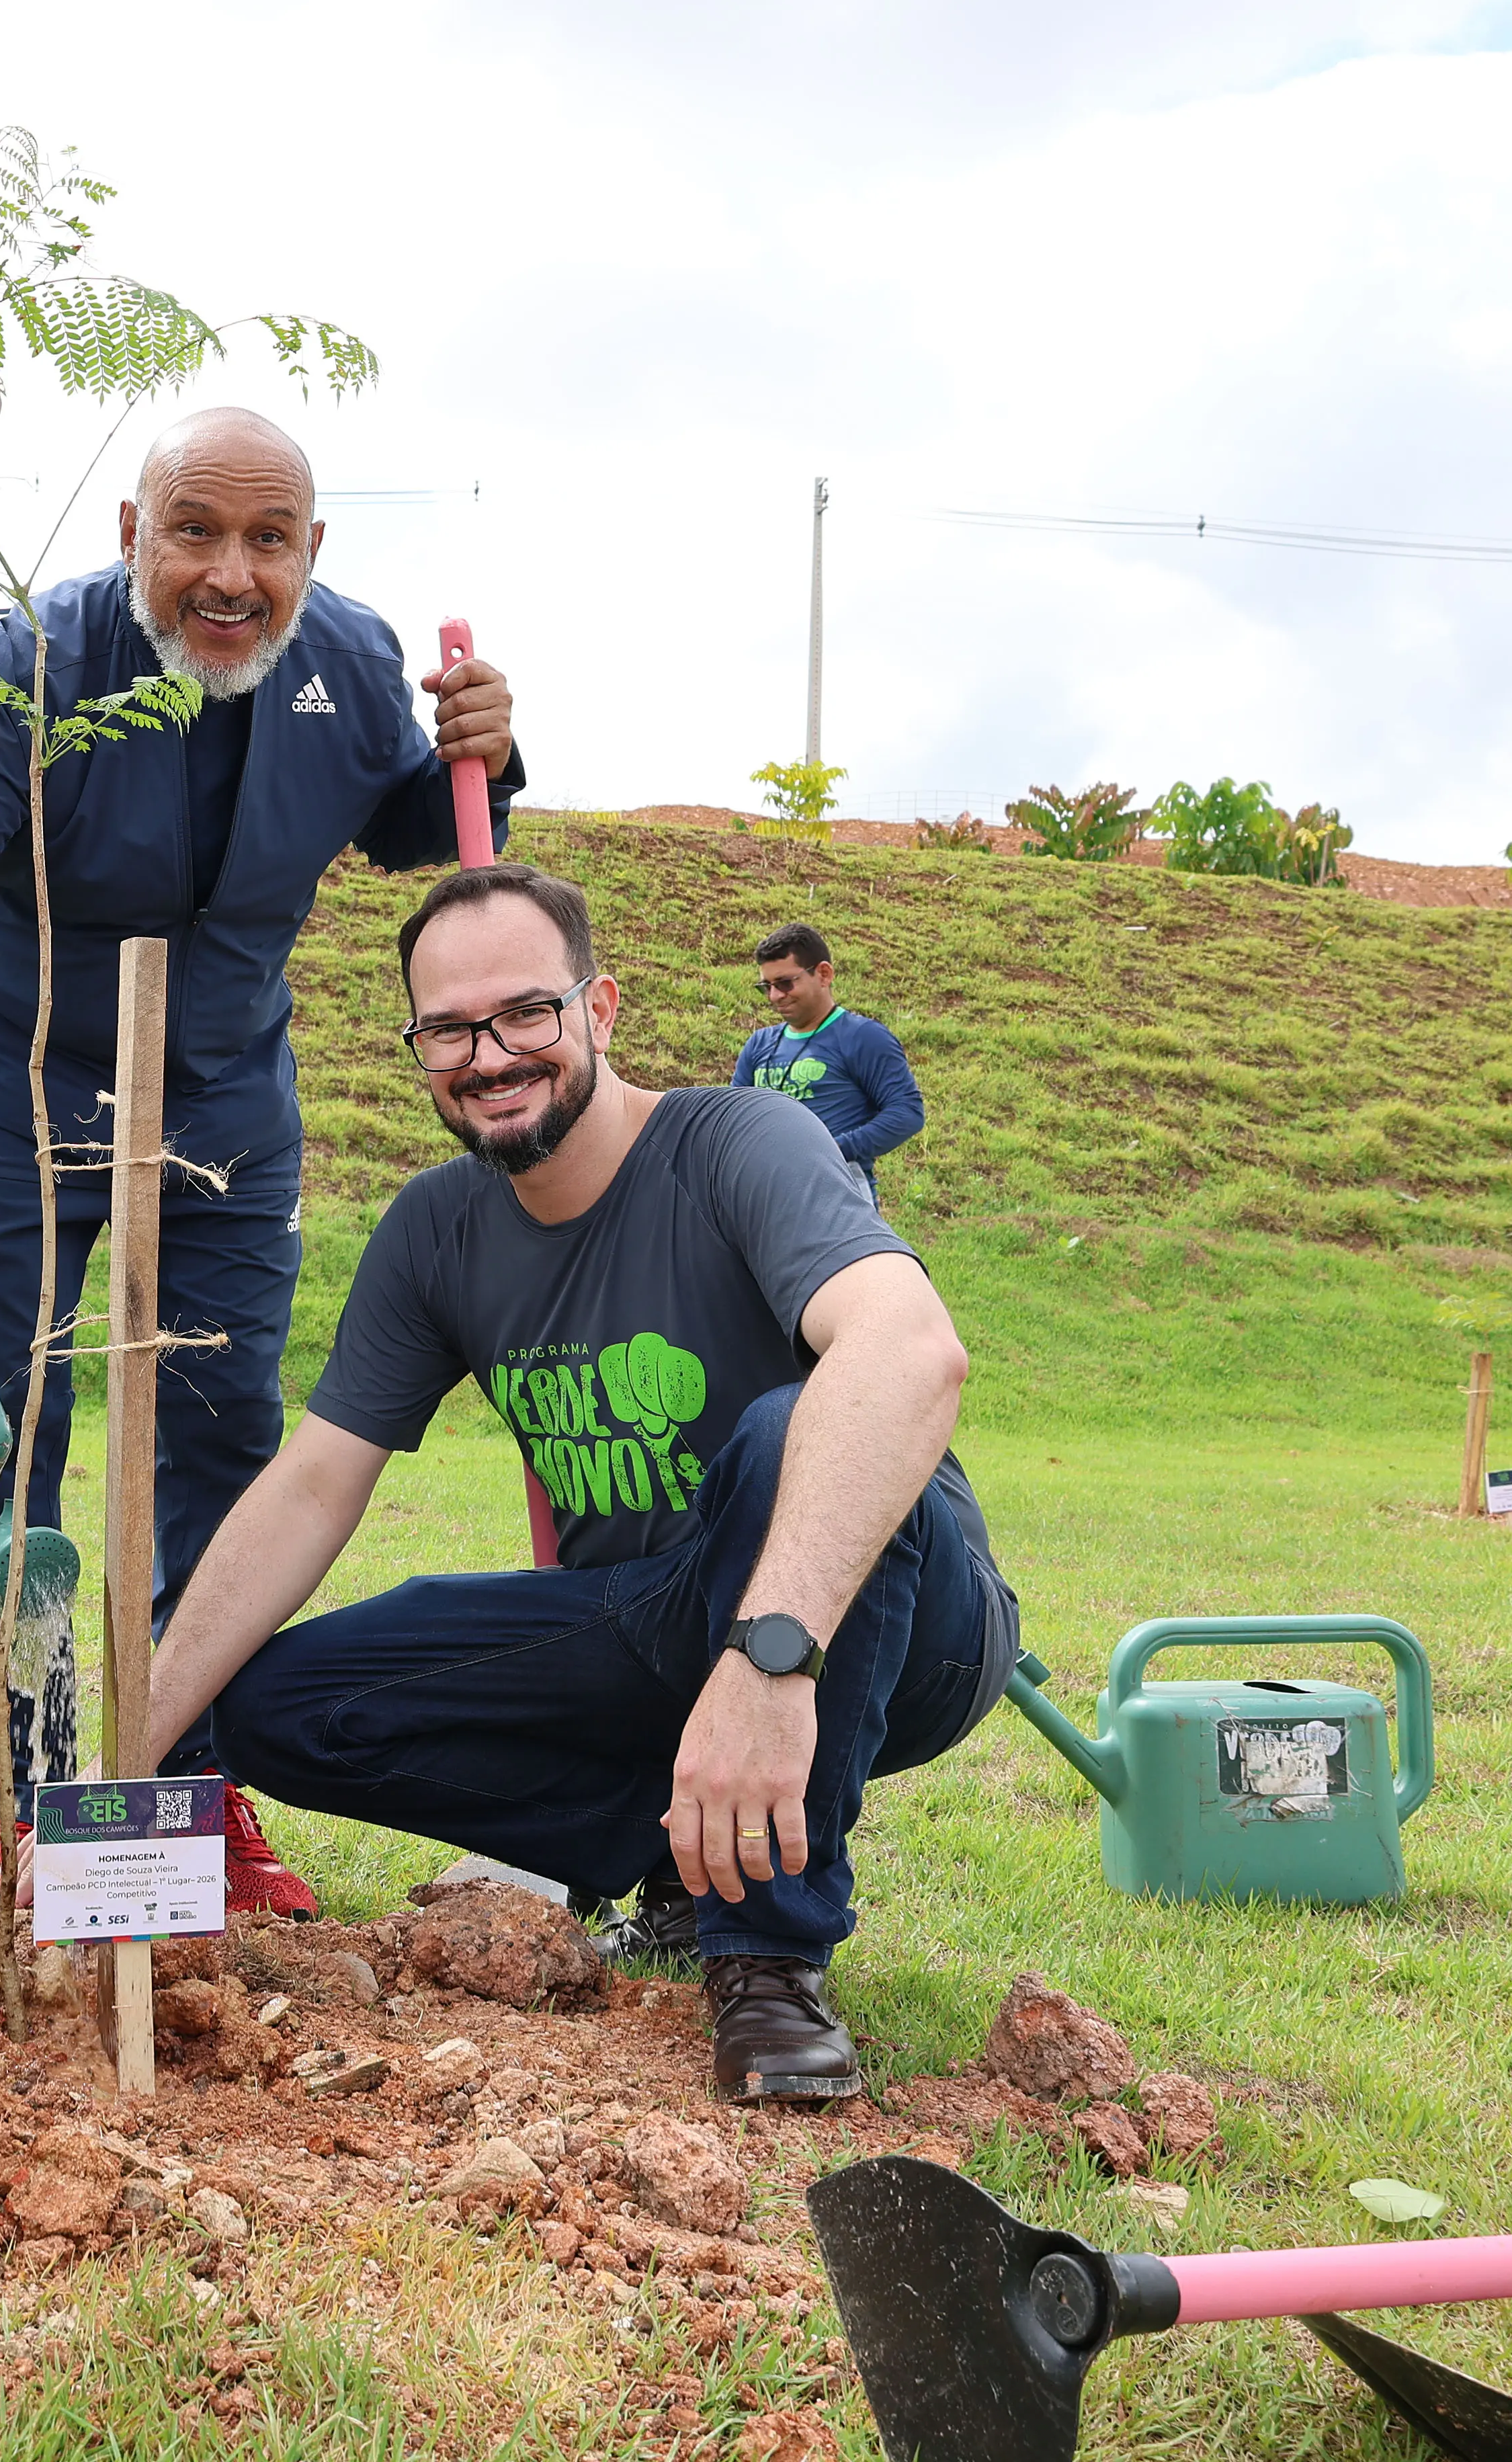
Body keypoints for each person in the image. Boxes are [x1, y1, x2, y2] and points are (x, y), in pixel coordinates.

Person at [128, 864, 1016, 2102]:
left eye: (525, 1014)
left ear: (598, 1009)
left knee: (784, 1430)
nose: (489, 1057)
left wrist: (767, 1658)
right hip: (658, 1617)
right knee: (275, 1703)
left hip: (898, 1614)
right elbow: (315, 1485)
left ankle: (766, 1959)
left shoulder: (740, 1142)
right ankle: (673, 1855)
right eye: (449, 1030)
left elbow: (910, 1351)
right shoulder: (436, 1231)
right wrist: (134, 1741)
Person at [0, 405, 521, 1917]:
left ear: (311, 551)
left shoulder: (347, 658)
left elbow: (405, 822)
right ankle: (29, 1798)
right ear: (131, 534)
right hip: (13, 1085)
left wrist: (484, 756)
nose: (231, 573)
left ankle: (189, 1788)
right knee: (5, 1444)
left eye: (269, 540)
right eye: (194, 531)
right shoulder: (29, 660)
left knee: (222, 1431)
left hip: (223, 1098)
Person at [729, 922, 923, 1204]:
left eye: (785, 983)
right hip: (768, 1199)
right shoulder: (759, 1044)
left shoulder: (862, 1037)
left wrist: (832, 1150)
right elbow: (736, 1118)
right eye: (766, 987)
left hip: (838, 1199)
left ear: (823, 974)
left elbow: (906, 1113)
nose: (775, 996)